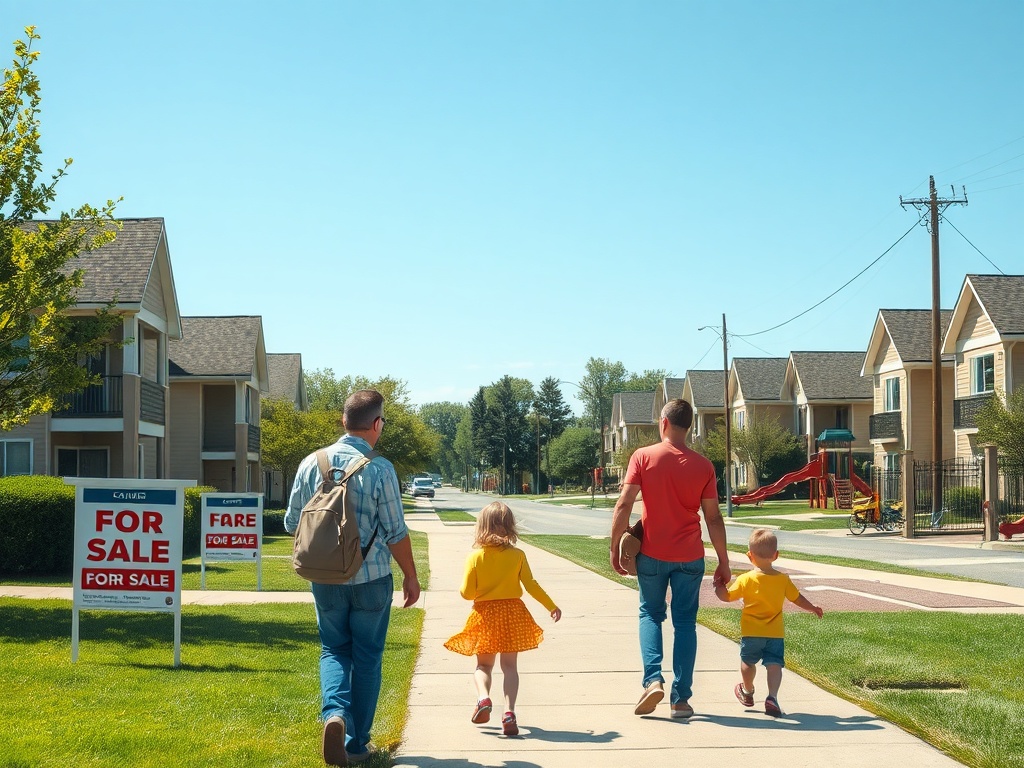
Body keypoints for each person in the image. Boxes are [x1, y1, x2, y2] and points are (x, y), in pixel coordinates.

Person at [285, 389, 420, 767]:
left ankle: (334, 716)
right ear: (376, 424)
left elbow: (292, 522)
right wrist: (411, 576)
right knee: (367, 657)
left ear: (343, 421)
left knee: (333, 650)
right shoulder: (381, 468)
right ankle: (358, 745)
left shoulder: (311, 463)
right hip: (372, 579)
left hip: (325, 579)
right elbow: (395, 531)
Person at [610, 398, 731, 719]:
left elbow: (623, 505)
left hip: (651, 554)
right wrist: (723, 560)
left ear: (663, 423)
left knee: (650, 614)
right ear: (688, 427)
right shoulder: (704, 466)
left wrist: (615, 547)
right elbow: (714, 518)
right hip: (690, 556)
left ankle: (652, 681)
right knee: (685, 624)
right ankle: (681, 699)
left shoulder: (643, 457)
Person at [444, 501, 562, 737]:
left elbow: (467, 593)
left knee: (483, 665)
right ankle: (509, 713)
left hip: (485, 615)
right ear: (510, 527)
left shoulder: (475, 557)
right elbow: (531, 585)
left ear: (481, 527)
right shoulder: (518, 555)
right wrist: (551, 605)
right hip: (512, 614)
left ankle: (483, 698)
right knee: (510, 667)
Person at [714, 528, 824, 717]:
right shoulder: (783, 580)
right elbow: (797, 599)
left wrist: (718, 586)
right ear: (776, 555)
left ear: (750, 556)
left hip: (751, 632)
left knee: (748, 662)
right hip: (775, 633)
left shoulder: (745, 579)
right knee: (774, 664)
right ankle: (772, 697)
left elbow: (727, 597)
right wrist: (812, 607)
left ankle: (747, 691)